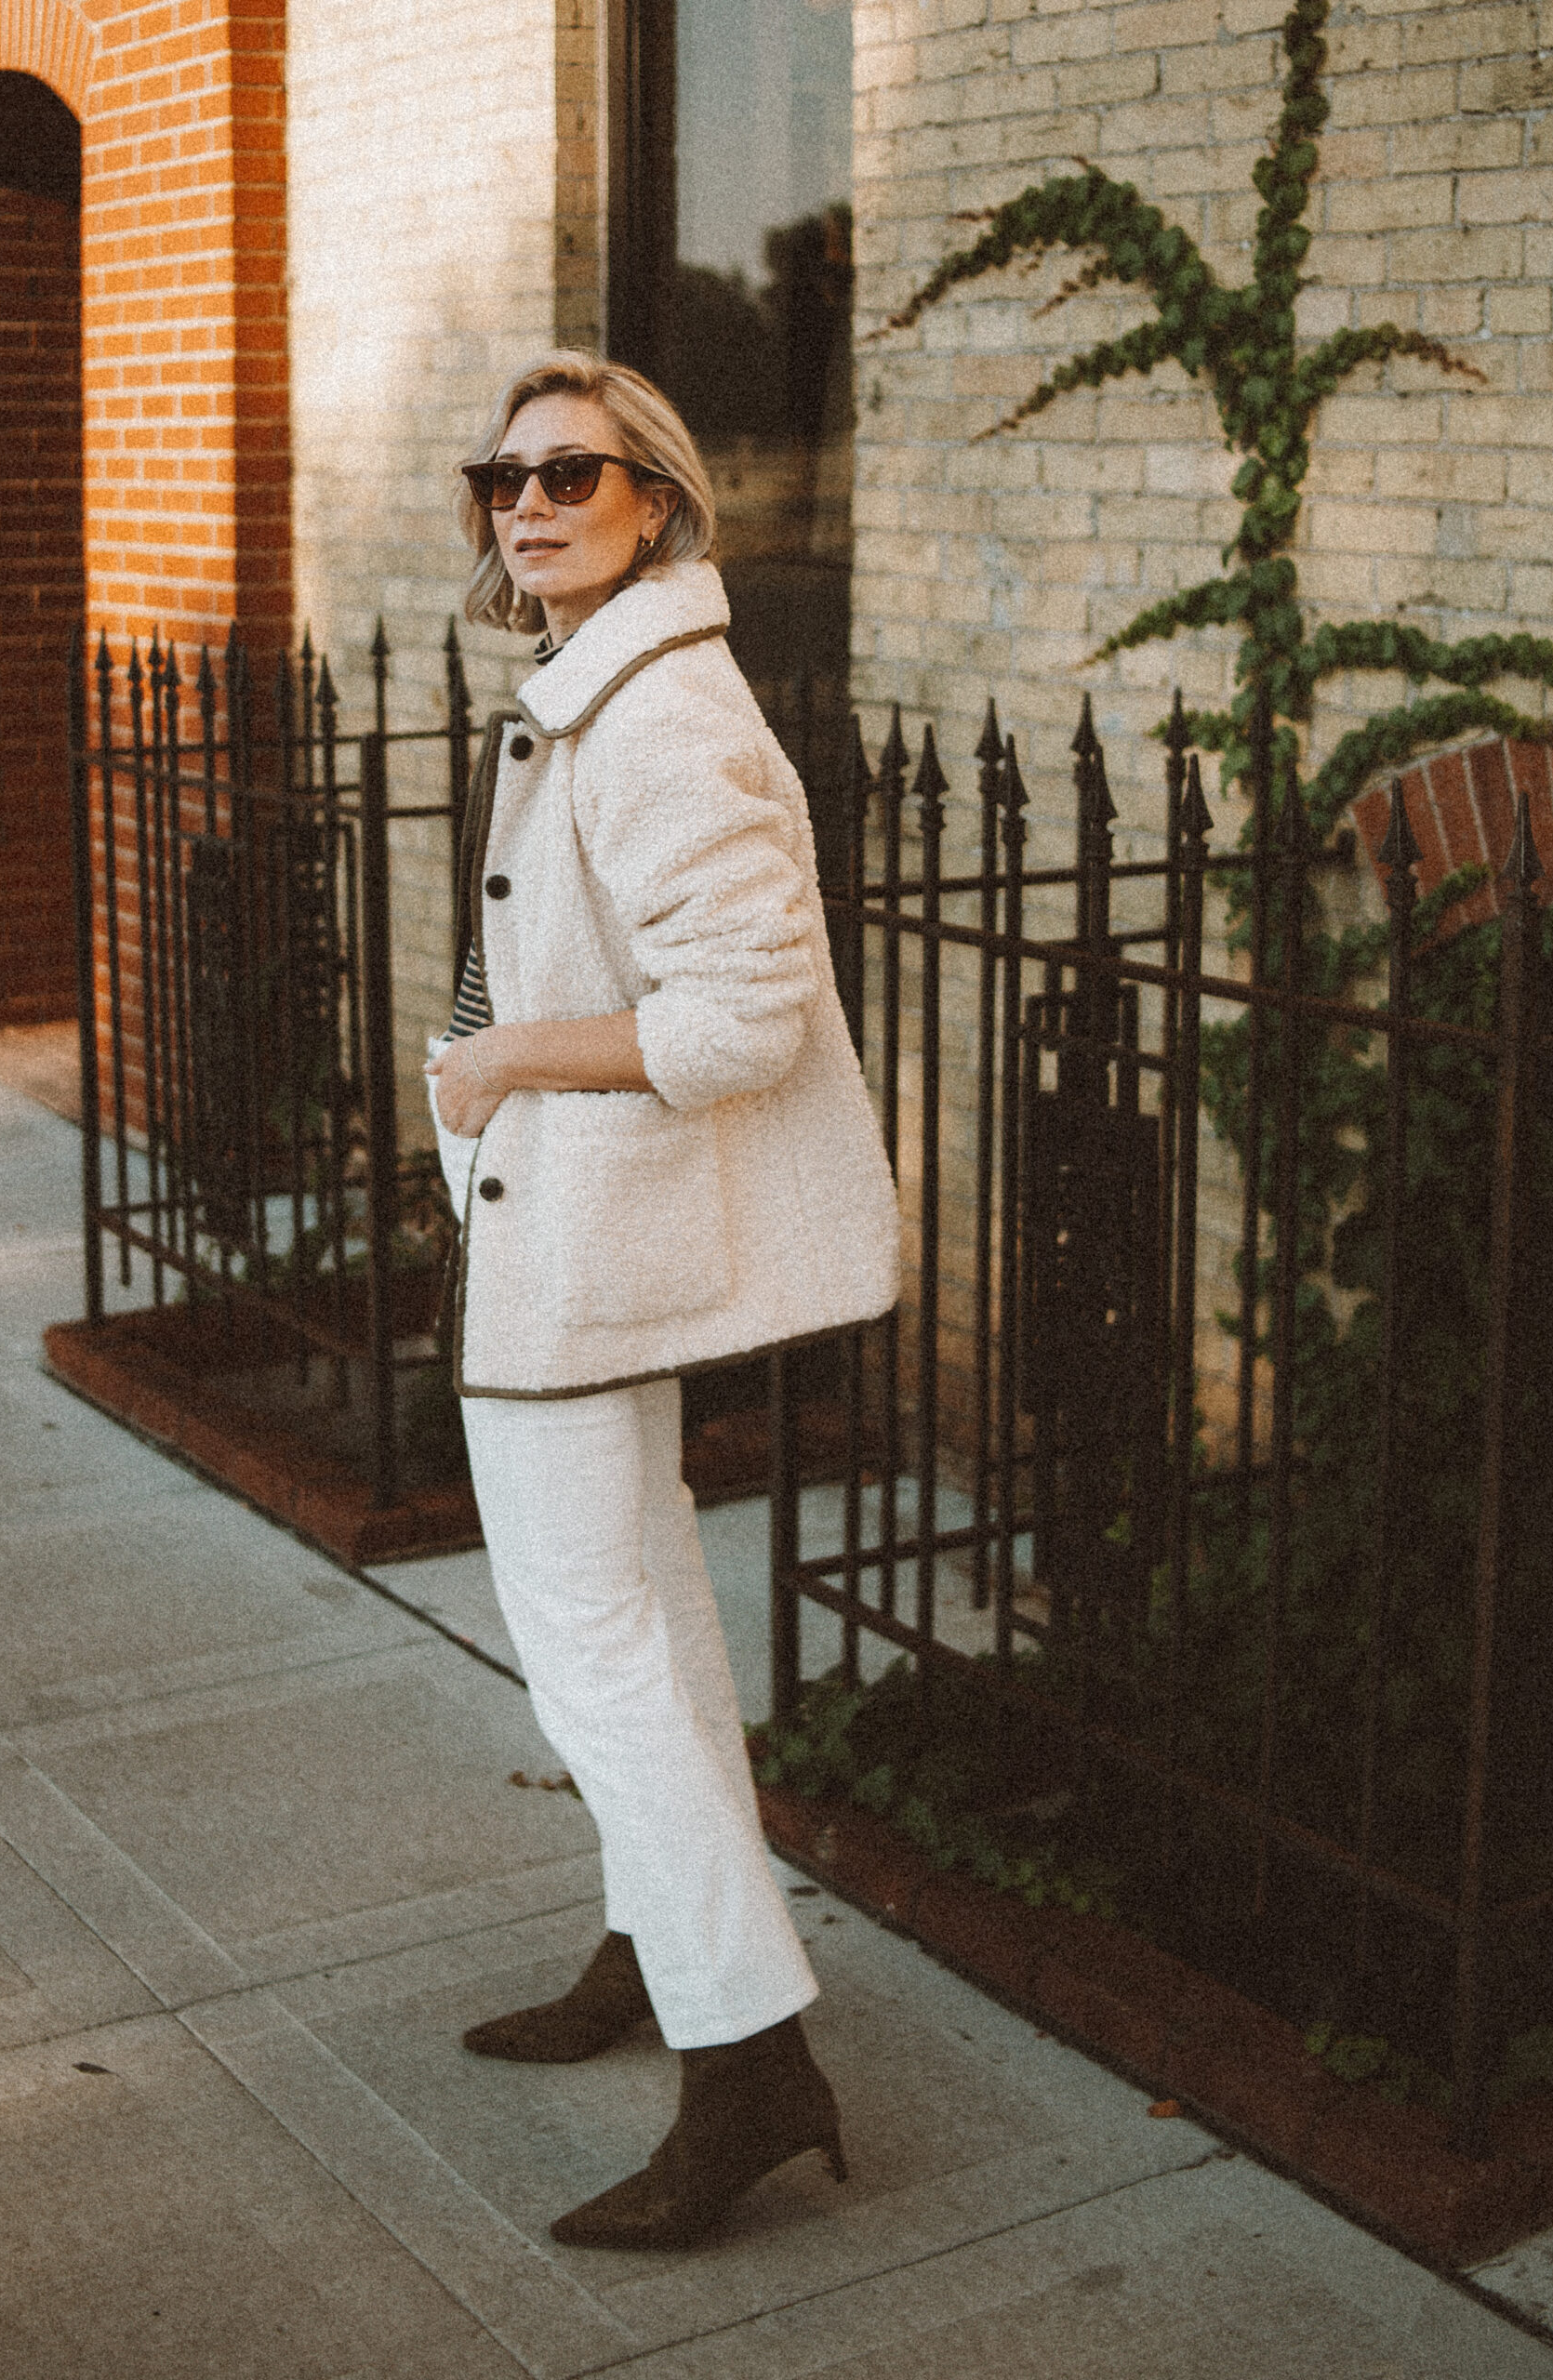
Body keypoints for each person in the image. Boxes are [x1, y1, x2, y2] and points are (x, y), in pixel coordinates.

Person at [423, 350, 899, 2253]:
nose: (528, 503)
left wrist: (499, 1060)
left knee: (591, 1641)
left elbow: (737, 1020)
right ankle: (652, 1934)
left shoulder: (659, 716)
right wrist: (487, 1076)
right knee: (650, 1614)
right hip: (566, 1225)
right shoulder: (589, 687)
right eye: (502, 477)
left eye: (572, 473)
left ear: (656, 503)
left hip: (581, 1247)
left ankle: (746, 2049)